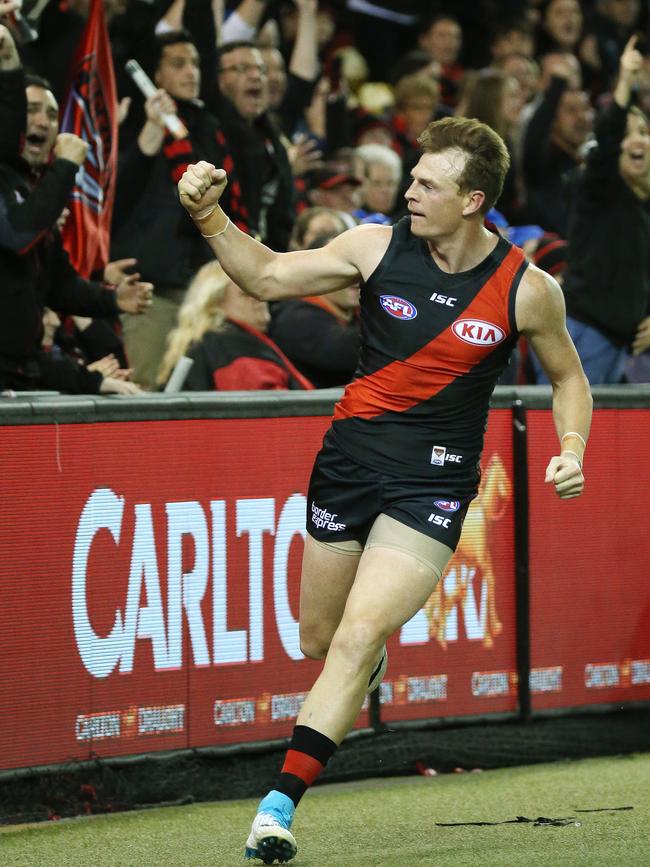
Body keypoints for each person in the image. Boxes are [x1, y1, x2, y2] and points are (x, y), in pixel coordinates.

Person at [178, 114, 592, 864]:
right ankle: (360, 664)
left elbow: (569, 378)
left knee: (358, 635)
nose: (408, 191)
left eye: (427, 183)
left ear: (471, 200)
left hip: (430, 486)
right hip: (346, 465)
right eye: (411, 176)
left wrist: (570, 446)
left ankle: (277, 808)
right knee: (320, 639)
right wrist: (209, 215)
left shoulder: (527, 289)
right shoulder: (374, 246)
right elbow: (268, 274)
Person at [0, 26, 152, 392]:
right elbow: (17, 233)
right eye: (31, 109)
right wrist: (65, 167)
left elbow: (60, 286)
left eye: (52, 115)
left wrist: (113, 299)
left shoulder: (35, 193)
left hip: (18, 373)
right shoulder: (32, 191)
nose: (42, 122)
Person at [534, 36, 650, 384]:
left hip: (623, 345)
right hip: (582, 334)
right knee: (563, 435)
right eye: (628, 134)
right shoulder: (598, 188)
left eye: (644, 131)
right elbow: (607, 138)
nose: (636, 140)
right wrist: (625, 82)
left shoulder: (644, 206)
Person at [156, 261, 313, 391]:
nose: (258, 299)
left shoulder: (210, 344)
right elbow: (267, 412)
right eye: (246, 293)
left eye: (259, 290)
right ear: (214, 302)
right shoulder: (231, 347)